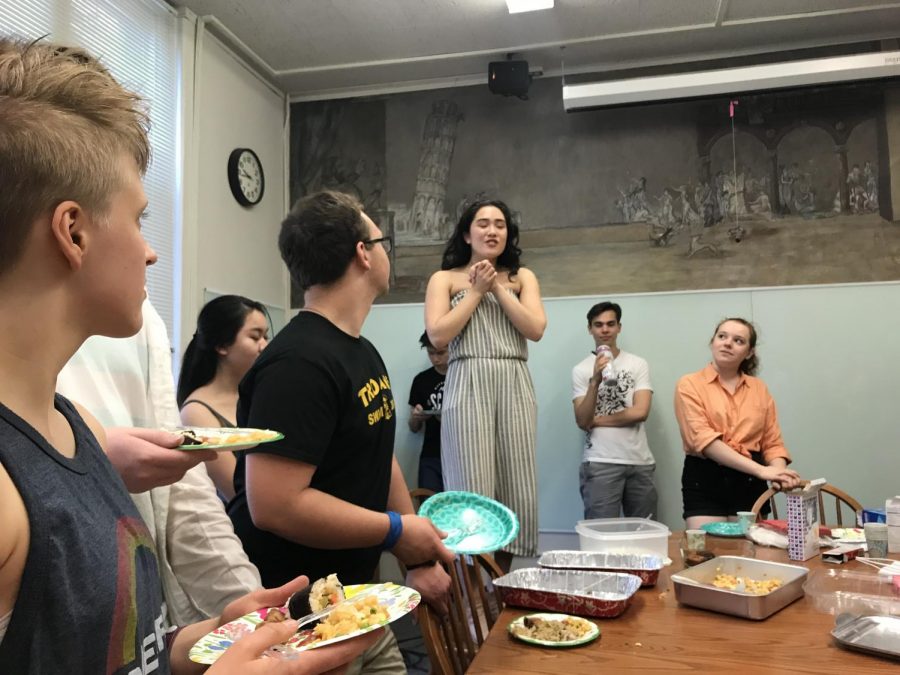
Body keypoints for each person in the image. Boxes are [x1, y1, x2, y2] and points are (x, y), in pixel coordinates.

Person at [0, 36, 375, 673]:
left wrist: (201, 645)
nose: (150, 251)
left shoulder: (80, 429)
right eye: (139, 219)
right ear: (74, 231)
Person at [228, 190, 454, 674]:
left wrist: (416, 551)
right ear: (363, 253)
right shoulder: (297, 364)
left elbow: (378, 454)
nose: (386, 251)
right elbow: (274, 505)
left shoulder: (360, 350)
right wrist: (396, 531)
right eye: (382, 240)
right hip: (301, 627)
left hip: (357, 606)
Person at [57, 298, 263, 626]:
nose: (151, 255)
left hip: (143, 620)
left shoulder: (143, 319)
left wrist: (253, 616)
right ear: (72, 243)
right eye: (255, 336)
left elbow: (188, 504)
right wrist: (89, 458)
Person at [424, 198, 546, 572]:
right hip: (468, 379)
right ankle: (475, 597)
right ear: (466, 232)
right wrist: (476, 290)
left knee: (516, 484)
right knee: (471, 486)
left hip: (513, 379)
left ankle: (502, 586)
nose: (492, 231)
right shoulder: (443, 279)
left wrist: (496, 288)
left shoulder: (522, 276)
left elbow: (536, 330)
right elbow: (438, 335)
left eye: (500, 224)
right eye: (483, 223)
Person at [674, 318, 802, 530]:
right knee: (707, 552)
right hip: (706, 476)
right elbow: (704, 441)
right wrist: (762, 471)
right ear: (712, 342)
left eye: (738, 340)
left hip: (749, 482)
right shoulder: (689, 384)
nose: (727, 343)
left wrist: (778, 472)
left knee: (750, 551)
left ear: (749, 352)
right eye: (722, 336)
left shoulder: (759, 388)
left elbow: (772, 443)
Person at [178, 294, 270, 500]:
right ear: (222, 345)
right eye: (255, 337)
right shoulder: (196, 413)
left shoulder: (257, 396)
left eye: (266, 337)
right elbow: (238, 492)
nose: (264, 346)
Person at [571, 302, 657, 520]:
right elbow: (582, 420)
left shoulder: (638, 364)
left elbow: (640, 412)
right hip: (600, 461)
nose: (605, 330)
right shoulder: (581, 369)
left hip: (640, 462)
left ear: (619, 327)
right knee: (600, 535)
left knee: (642, 535)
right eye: (598, 325)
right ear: (590, 329)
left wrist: (596, 420)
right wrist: (595, 381)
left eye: (610, 324)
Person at [407, 331, 448, 493]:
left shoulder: (464, 378)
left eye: (441, 353)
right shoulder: (421, 380)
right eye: (431, 353)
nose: (435, 359)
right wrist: (416, 418)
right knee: (428, 505)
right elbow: (413, 428)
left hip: (461, 454)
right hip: (431, 454)